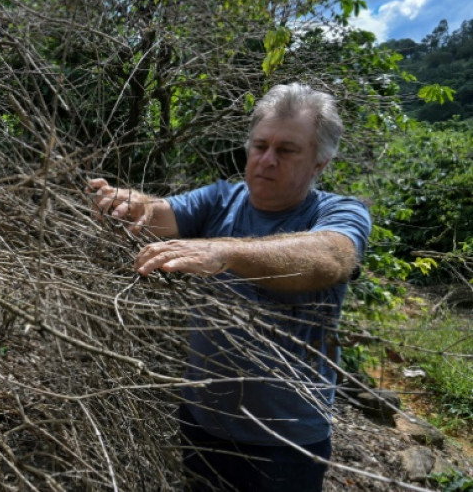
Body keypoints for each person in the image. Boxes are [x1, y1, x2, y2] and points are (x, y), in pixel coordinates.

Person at [88, 83, 371, 492]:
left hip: (286, 441)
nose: (267, 160)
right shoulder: (222, 198)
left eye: (287, 150)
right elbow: (163, 215)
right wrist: (136, 206)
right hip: (202, 420)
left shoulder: (338, 211)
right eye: (259, 146)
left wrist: (225, 252)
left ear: (319, 164)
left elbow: (331, 257)